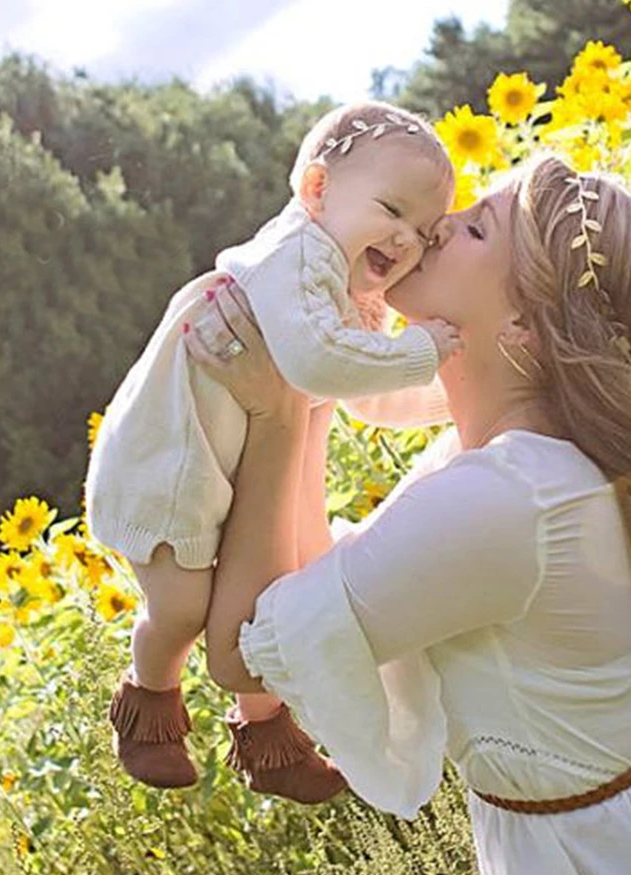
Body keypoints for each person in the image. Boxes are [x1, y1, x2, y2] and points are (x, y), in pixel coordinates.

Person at [183, 153, 631, 875]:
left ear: (523, 329)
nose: (436, 227)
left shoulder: (507, 500)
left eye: (474, 229)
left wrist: (270, 407)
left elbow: (242, 654)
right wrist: (309, 382)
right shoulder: (495, 466)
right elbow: (325, 581)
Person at [85, 100, 459, 802]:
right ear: (317, 190)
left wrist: (454, 394)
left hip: (226, 466)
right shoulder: (294, 258)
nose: (406, 238)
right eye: (391, 209)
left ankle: (269, 743)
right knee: (180, 608)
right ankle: (149, 706)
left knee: (267, 599)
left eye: (424, 229)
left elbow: (366, 394)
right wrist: (419, 351)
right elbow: (319, 363)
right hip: (166, 472)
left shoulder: (340, 286)